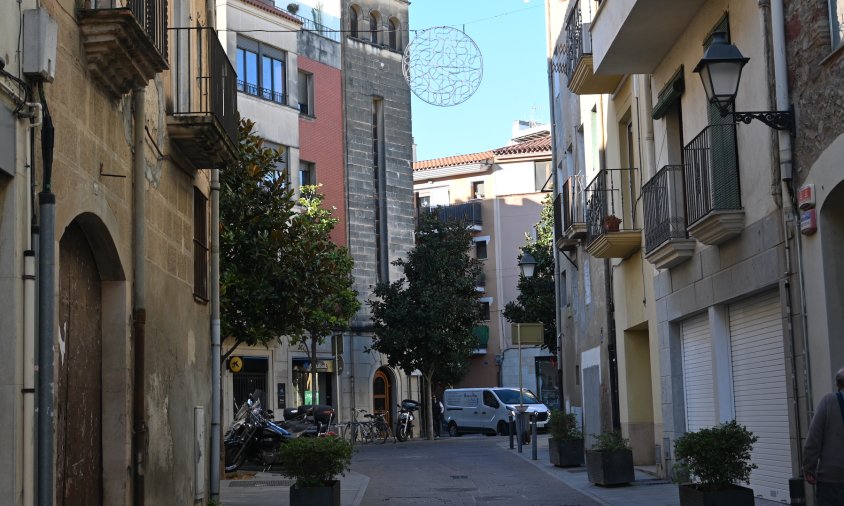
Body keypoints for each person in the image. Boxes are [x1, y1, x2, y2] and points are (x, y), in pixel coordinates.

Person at [803, 367, 844, 505]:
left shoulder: (828, 402)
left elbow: (814, 438)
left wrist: (809, 467)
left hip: (832, 477)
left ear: (837, 384)